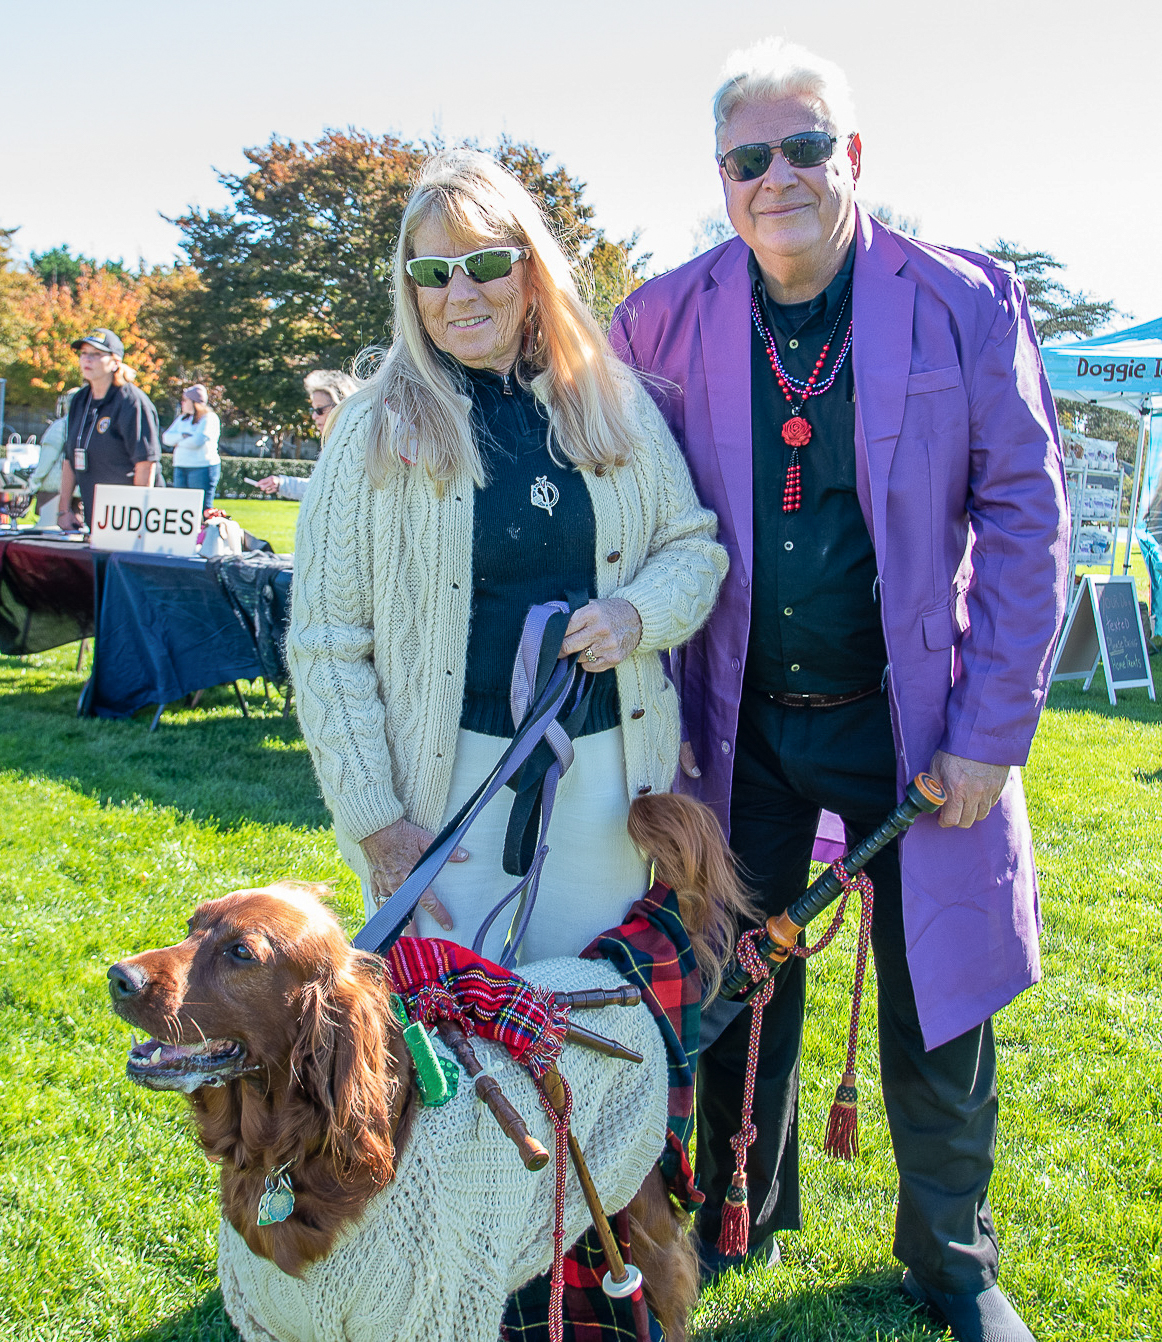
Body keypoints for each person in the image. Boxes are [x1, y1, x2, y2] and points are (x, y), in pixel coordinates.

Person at [610, 38, 1069, 1342]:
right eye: (748, 157)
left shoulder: (963, 302)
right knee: (733, 974)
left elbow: (1027, 518)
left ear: (850, 156)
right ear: (719, 176)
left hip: (915, 728)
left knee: (940, 1004)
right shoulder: (658, 315)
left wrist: (989, 732)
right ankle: (736, 1204)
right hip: (737, 723)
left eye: (803, 147)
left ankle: (952, 1256)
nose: (777, 177)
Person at [288, 148, 727, 962]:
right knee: (455, 1053)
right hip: (445, 798)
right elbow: (326, 641)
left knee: (589, 1030)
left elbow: (691, 547)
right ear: (409, 287)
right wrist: (377, 821)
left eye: (485, 262)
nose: (460, 292)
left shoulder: (611, 400)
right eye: (433, 270)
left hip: (603, 781)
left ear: (529, 269)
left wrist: (636, 616)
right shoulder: (373, 429)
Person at [57, 328, 162, 530]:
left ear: (115, 362)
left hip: (128, 518)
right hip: (95, 517)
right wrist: (64, 511)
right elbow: (70, 459)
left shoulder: (131, 401)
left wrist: (136, 518)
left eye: (96, 354)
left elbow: (145, 463)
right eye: (84, 354)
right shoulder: (80, 399)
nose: (88, 360)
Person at [255, 369, 358, 501]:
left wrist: (283, 484)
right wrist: (281, 483)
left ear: (341, 406)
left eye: (319, 410)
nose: (314, 416)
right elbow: (321, 487)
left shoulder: (353, 447)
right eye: (312, 410)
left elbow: (326, 490)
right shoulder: (336, 443)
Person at [162, 384, 221, 514]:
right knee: (182, 508)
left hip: (201, 468)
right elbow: (166, 438)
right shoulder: (182, 419)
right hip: (181, 466)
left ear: (194, 402)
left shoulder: (209, 418)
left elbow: (197, 441)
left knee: (201, 510)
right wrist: (182, 436)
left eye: (185, 400)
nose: (182, 403)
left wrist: (178, 442)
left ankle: (202, 534)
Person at [27, 388, 80, 524]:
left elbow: (47, 458)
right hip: (77, 492)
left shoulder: (60, 426)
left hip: (54, 492)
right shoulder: (86, 427)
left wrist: (34, 482)